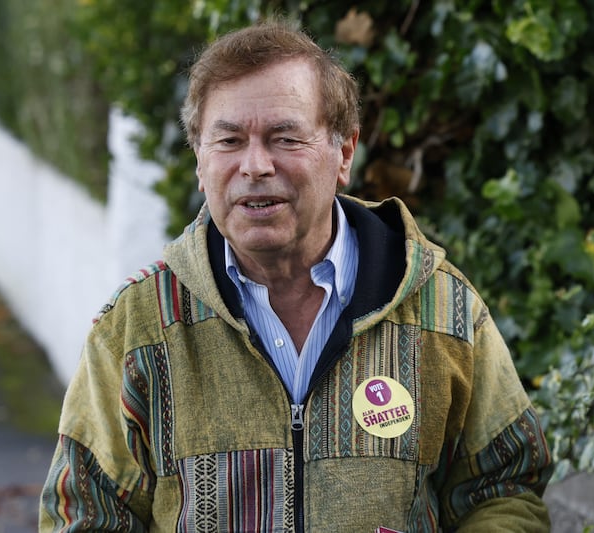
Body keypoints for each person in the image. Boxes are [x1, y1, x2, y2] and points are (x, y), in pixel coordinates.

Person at [40, 20, 553, 532]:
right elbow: (84, 512)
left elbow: (504, 486)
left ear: (344, 153)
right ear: (199, 160)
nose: (255, 165)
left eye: (285, 138)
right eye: (229, 141)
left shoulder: (444, 311)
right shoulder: (138, 327)